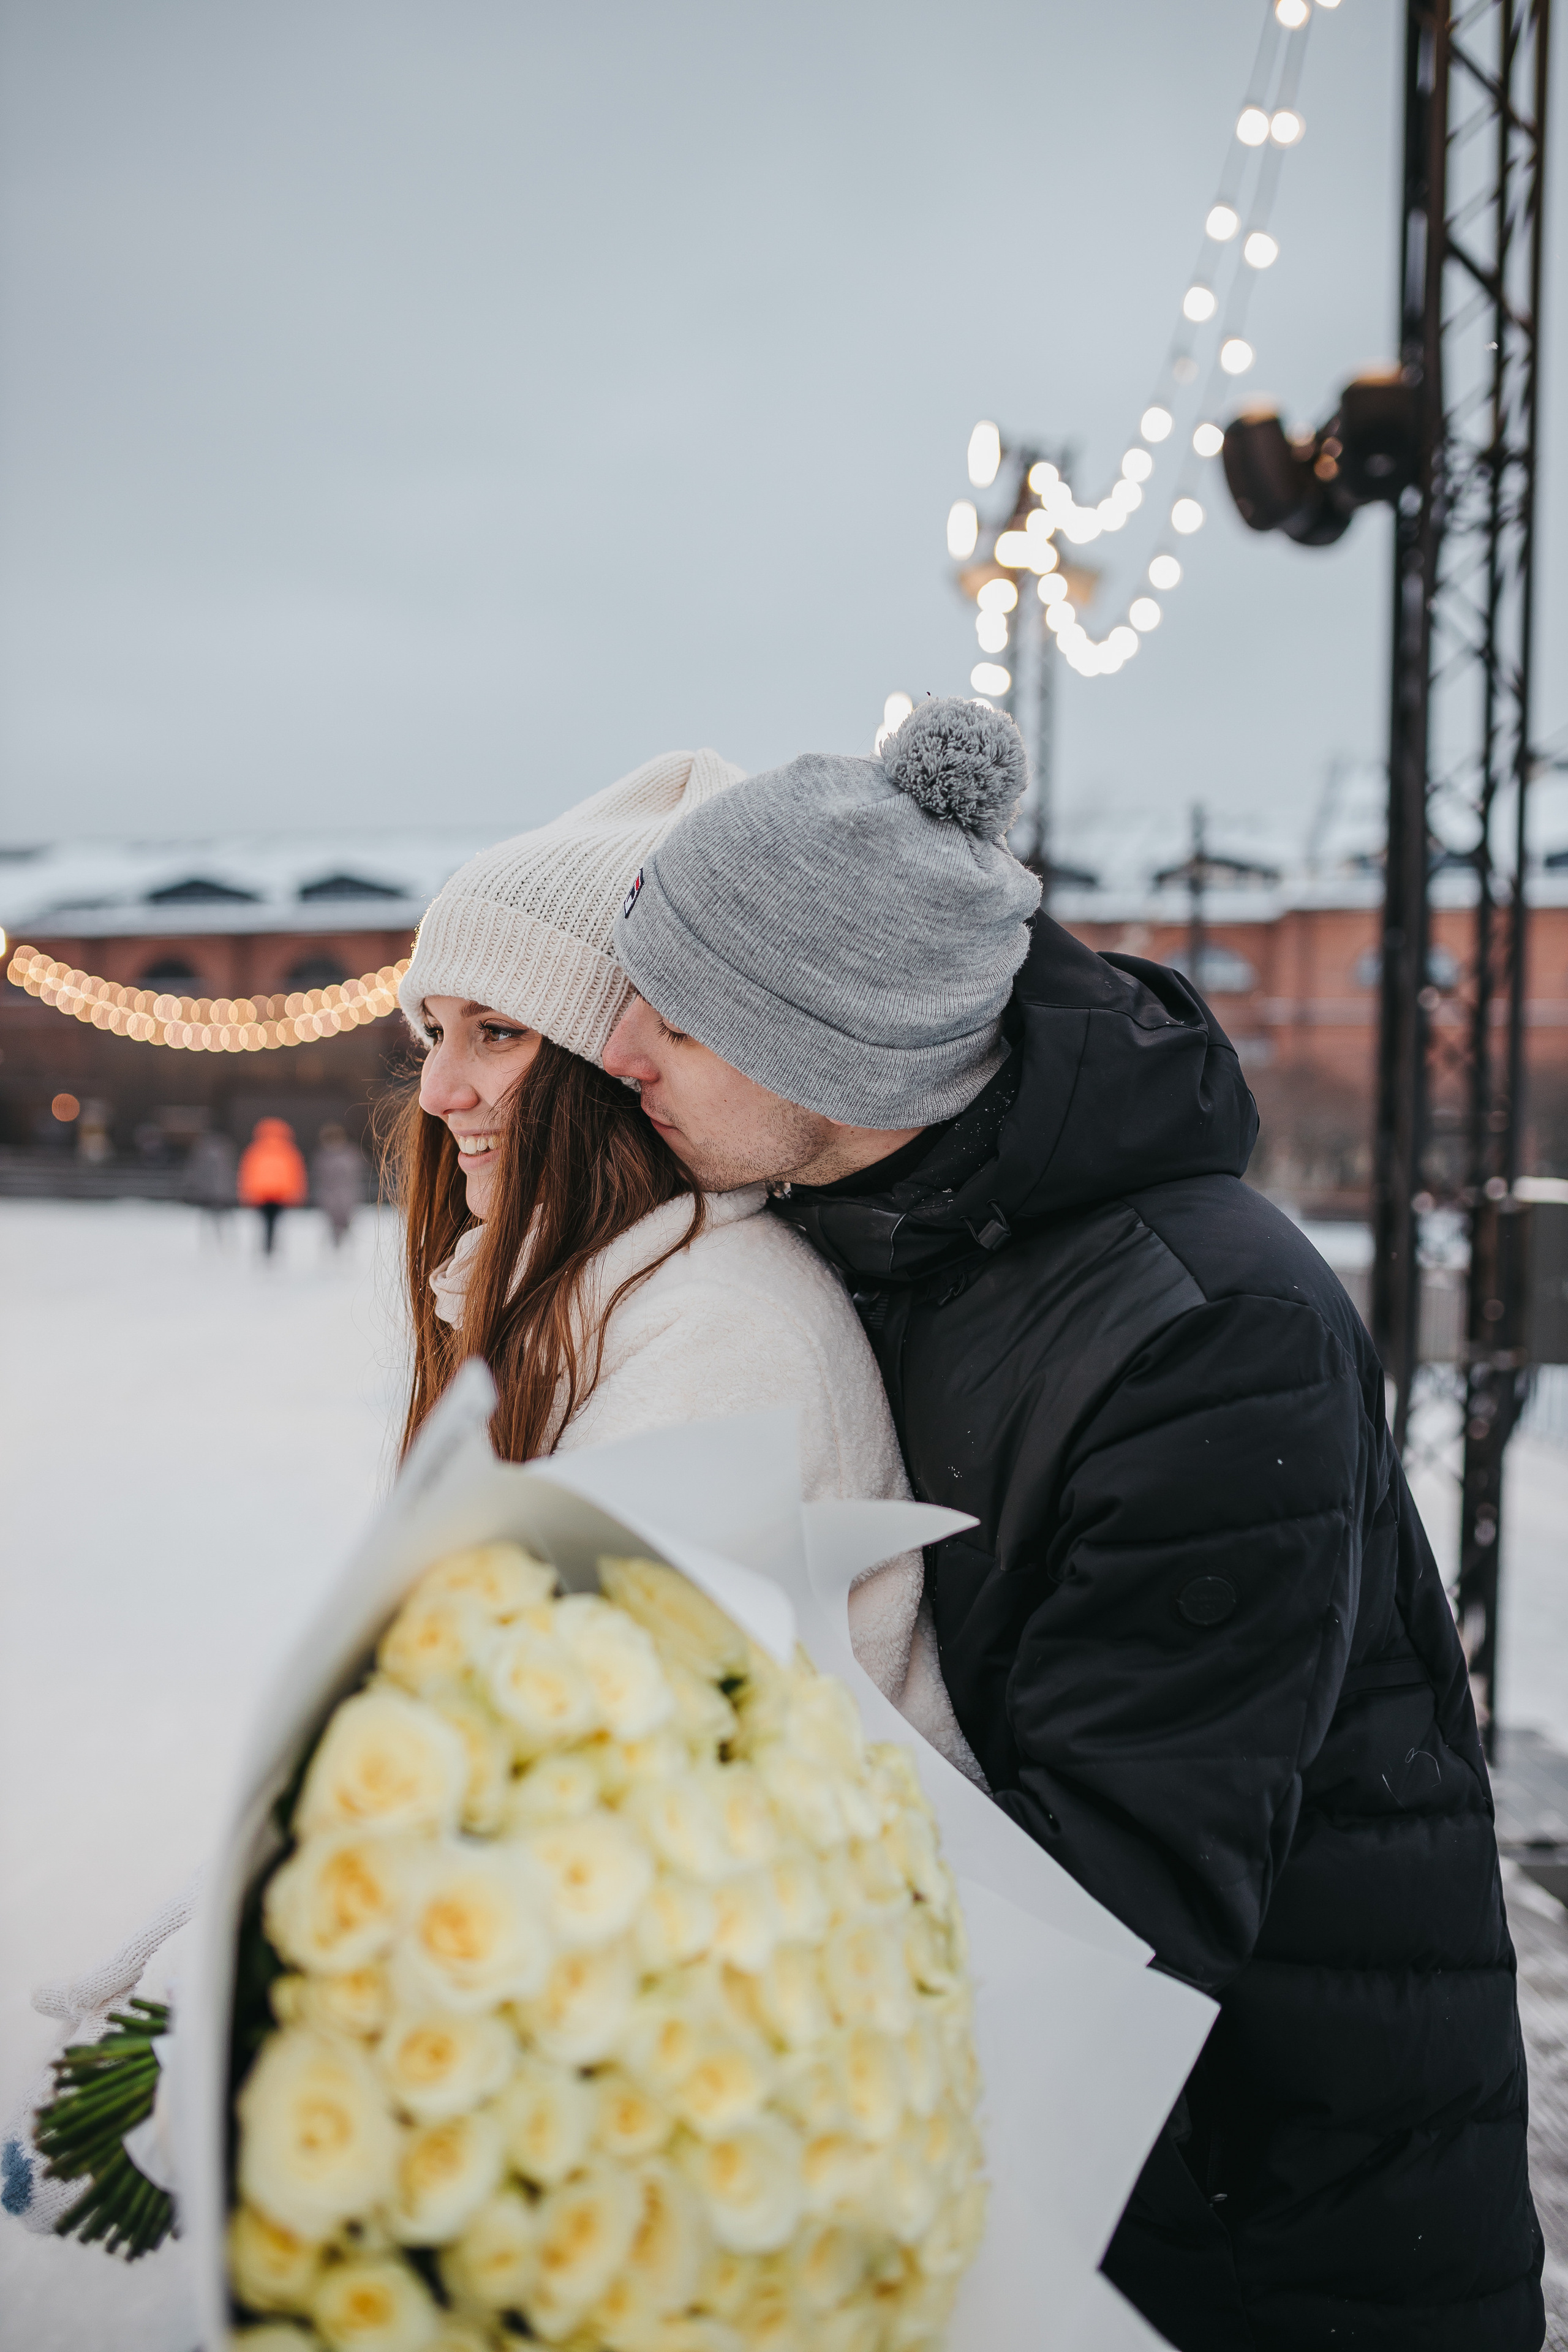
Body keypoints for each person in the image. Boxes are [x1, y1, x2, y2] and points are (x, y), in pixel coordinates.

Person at [602, 695, 1544, 2352]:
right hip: (1079, 2195)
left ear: (833, 1037)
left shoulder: (1206, 1334)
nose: (620, 1055)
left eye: (673, 1017)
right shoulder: (891, 1234)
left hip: (1262, 2237)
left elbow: (1119, 1893)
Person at [391, 746, 972, 1770]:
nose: (440, 1092)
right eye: (433, 1033)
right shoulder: (599, 1294)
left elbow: (588, 1759)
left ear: (619, 1063)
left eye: (497, 1033)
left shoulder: (717, 1327)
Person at [237, 1116, 308, 1256]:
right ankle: (272, 1248)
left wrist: (247, 1192)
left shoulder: (255, 1151)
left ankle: (267, 1248)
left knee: (265, 1223)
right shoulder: (289, 1151)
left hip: (261, 1194)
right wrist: (297, 1193)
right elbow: (296, 1174)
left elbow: (248, 1173)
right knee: (275, 1223)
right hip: (281, 1194)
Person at [311, 1121, 364, 1249]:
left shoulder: (349, 1155)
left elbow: (353, 1175)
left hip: (345, 1195)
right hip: (330, 1196)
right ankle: (335, 1247)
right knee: (331, 1224)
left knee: (346, 1223)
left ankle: (345, 1248)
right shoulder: (324, 1156)